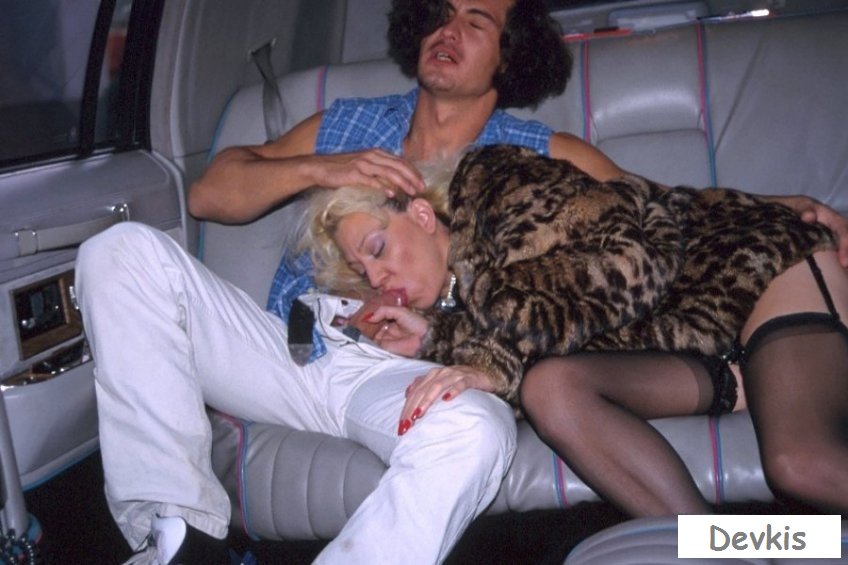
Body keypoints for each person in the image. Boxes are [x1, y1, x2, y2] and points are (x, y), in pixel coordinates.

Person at [81, 0, 848, 562]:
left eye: (476, 22)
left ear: (509, 57)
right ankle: (175, 541)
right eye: (440, 15)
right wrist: (327, 168)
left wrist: (785, 209)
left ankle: (749, 546)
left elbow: (650, 217)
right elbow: (210, 193)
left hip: (408, 372)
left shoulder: (530, 154)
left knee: (476, 426)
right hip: (295, 347)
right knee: (121, 251)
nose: (448, 31)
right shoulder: (346, 125)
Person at [302, 143, 848, 516]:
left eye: (377, 248)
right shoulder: (460, 309)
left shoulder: (496, 184)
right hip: (700, 344)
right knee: (551, 390)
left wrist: (486, 360)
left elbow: (624, 265)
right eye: (362, 270)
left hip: (746, 265)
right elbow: (542, 345)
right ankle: (734, 550)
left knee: (799, 465)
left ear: (422, 215)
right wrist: (432, 340)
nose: (376, 276)